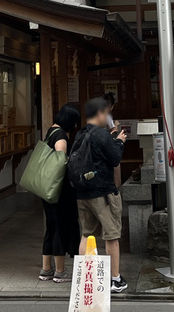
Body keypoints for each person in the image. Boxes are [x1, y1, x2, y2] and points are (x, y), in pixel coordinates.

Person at [68, 97, 127, 293]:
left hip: (82, 192)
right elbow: (115, 158)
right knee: (111, 235)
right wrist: (118, 142)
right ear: (100, 113)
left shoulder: (80, 134)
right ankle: (115, 279)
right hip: (102, 192)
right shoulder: (102, 135)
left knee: (86, 234)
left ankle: (86, 277)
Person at [39, 103, 81, 283]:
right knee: (60, 227)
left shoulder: (50, 131)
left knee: (51, 226)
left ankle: (46, 269)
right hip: (59, 190)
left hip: (46, 189)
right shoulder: (61, 137)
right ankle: (60, 271)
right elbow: (60, 164)